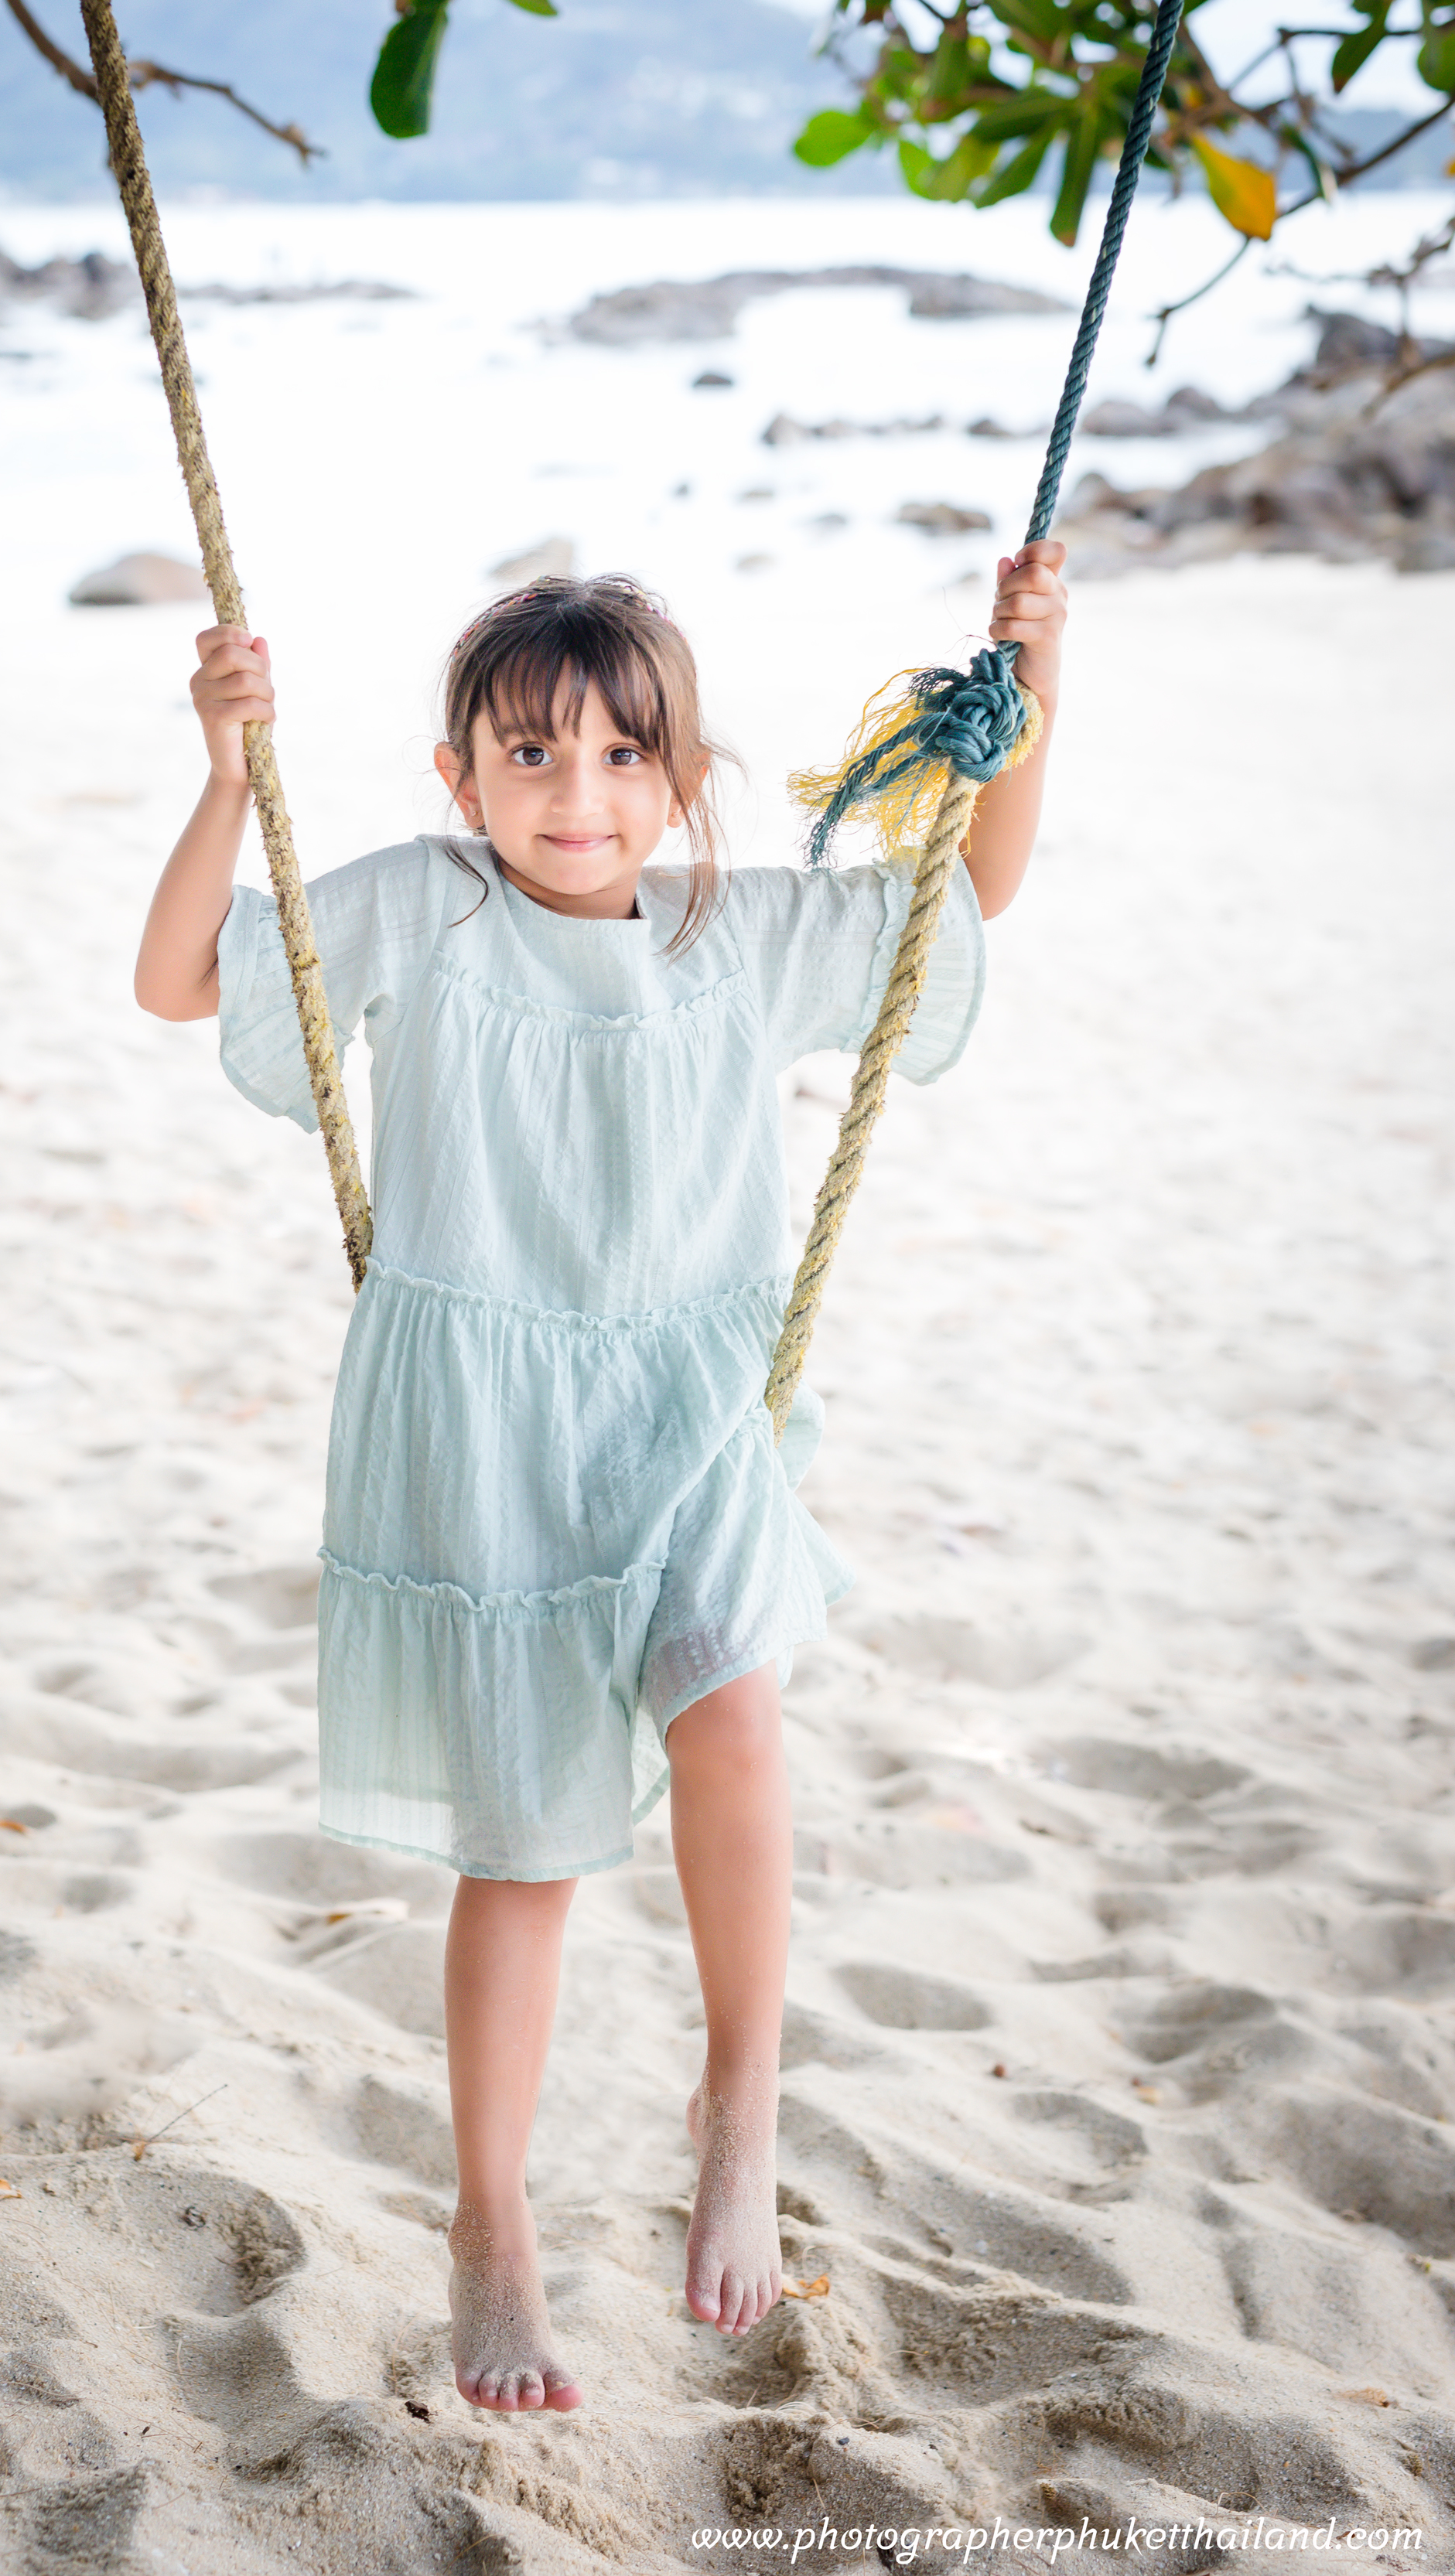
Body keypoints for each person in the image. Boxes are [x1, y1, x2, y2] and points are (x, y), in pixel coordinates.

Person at [135, 548, 1068, 2415]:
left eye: (625, 760)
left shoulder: (742, 928)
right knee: (532, 1852)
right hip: (485, 1426)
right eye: (533, 757)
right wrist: (229, 771)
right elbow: (179, 982)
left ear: (685, 775)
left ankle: (742, 2100)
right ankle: (494, 2226)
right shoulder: (423, 912)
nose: (581, 800)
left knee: (735, 1709)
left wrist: (1041, 672)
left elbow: (965, 885)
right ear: (457, 774)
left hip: (695, 1400)